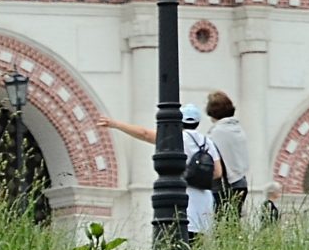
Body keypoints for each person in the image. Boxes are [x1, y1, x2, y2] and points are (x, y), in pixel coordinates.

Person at [95, 103, 216, 237]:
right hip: (204, 203)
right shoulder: (207, 142)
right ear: (197, 122)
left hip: (183, 200)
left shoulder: (177, 139)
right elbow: (218, 172)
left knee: (178, 244)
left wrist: (115, 124)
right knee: (197, 247)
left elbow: (145, 134)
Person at [202, 90, 249, 225]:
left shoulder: (217, 132)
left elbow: (209, 154)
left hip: (225, 185)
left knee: (221, 224)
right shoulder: (237, 129)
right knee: (233, 222)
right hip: (241, 182)